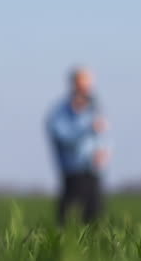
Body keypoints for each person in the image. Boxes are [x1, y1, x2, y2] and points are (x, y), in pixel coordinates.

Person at [46, 67, 110, 225]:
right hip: (73, 172)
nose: (86, 89)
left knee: (95, 218)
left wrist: (104, 152)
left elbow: (103, 136)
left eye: (88, 85)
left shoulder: (94, 109)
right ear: (74, 85)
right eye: (82, 85)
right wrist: (87, 129)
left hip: (93, 170)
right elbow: (62, 137)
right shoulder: (61, 111)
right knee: (69, 218)